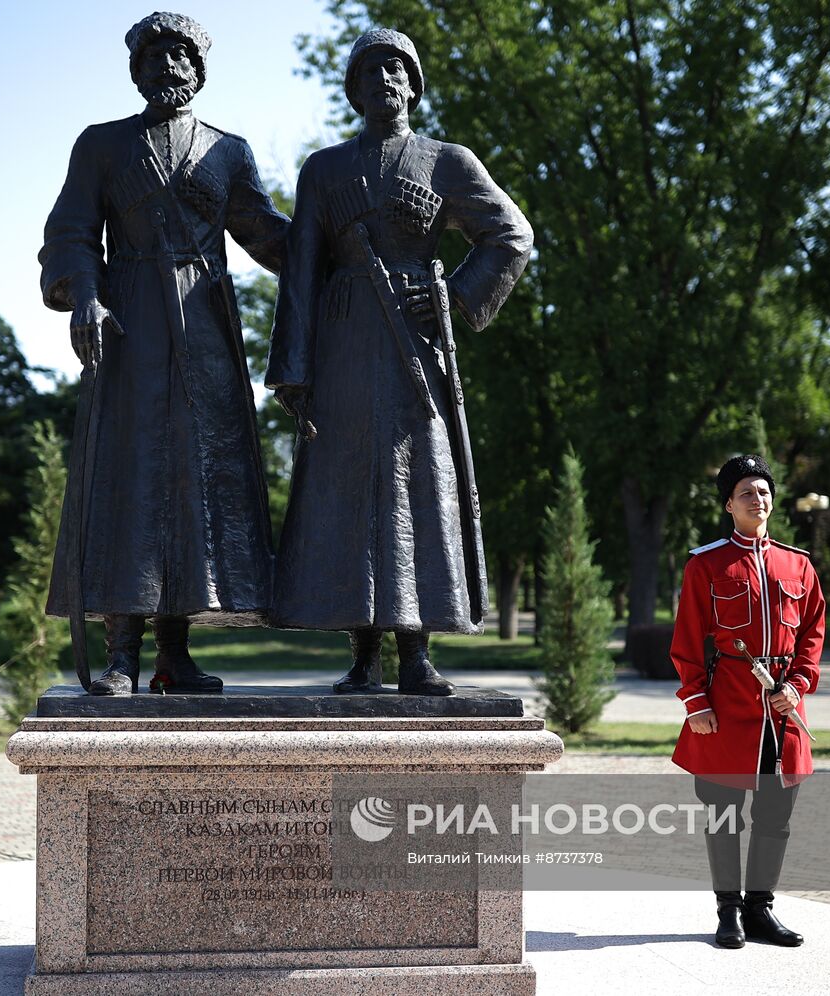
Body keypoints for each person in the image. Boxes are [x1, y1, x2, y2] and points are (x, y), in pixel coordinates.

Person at [266, 28, 532, 695]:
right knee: (348, 492)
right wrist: (292, 369)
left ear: (414, 85)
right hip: (343, 343)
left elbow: (511, 234)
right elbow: (300, 270)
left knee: (419, 489)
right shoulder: (323, 170)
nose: (385, 79)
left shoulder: (447, 160)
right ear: (353, 88)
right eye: (370, 70)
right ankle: (363, 656)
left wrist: (449, 293)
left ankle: (417, 652)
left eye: (397, 69)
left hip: (414, 345)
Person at [39, 11, 289, 696]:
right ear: (137, 70)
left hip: (206, 331)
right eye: (156, 57)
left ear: (200, 71)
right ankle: (122, 653)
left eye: (182, 56)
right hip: (131, 327)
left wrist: (344, 248)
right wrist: (86, 294)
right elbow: (70, 232)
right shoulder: (102, 145)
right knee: (133, 478)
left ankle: (174, 654)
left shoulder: (228, 152)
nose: (170, 67)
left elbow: (266, 236)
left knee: (193, 483)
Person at [670, 454, 825, 948]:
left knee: (775, 817)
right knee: (723, 815)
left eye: (762, 492)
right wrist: (697, 704)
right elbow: (688, 640)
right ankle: (728, 912)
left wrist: (797, 686)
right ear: (728, 506)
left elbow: (812, 635)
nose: (757, 499)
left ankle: (761, 909)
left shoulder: (798, 564)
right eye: (745, 493)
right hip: (726, 707)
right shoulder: (706, 564)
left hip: (783, 712)